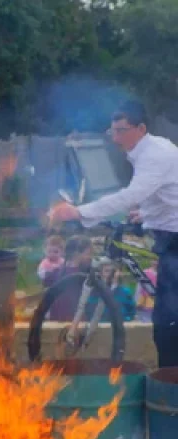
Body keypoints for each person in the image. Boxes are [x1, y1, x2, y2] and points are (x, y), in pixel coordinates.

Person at [51, 100, 178, 365]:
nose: (115, 138)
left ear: (140, 128)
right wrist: (147, 214)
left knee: (167, 321)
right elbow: (167, 191)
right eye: (112, 132)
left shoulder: (154, 155)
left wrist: (80, 211)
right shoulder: (149, 150)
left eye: (121, 130)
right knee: (168, 316)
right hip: (168, 233)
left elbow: (132, 194)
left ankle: (170, 384)